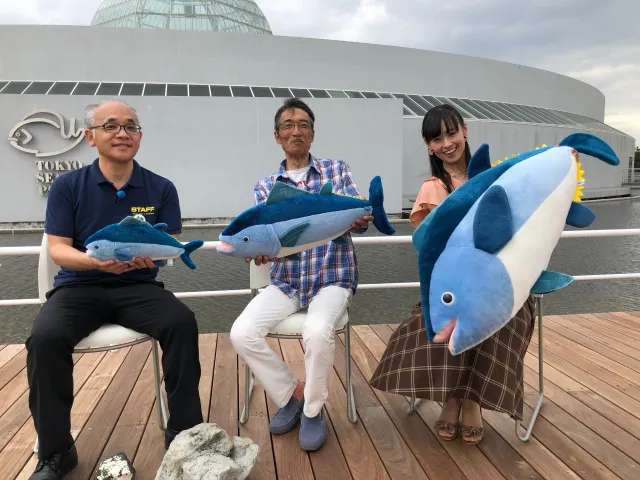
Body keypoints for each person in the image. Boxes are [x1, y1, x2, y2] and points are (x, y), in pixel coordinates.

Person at [26, 101, 203, 480]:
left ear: (140, 137)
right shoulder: (67, 186)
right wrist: (94, 263)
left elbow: (168, 245)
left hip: (138, 286)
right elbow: (58, 248)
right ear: (90, 137)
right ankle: (56, 452)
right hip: (79, 287)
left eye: (131, 126)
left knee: (182, 323)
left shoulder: (160, 187)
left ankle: (184, 435)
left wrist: (152, 261)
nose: (122, 133)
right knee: (44, 338)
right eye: (111, 126)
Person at [369, 104, 536, 446]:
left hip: (499, 281)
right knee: (443, 320)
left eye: (451, 133)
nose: (447, 143)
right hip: (454, 282)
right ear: (429, 147)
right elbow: (434, 248)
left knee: (501, 320)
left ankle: (472, 401)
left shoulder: (496, 176)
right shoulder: (432, 188)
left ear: (464, 130)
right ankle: (453, 398)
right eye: (436, 138)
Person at [230, 98, 371, 452]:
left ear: (312, 133)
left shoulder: (336, 170)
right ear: (277, 136)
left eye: (304, 124)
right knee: (241, 332)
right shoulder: (265, 186)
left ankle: (312, 410)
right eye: (289, 125)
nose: (297, 131)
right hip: (287, 281)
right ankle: (291, 395)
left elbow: (357, 213)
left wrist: (362, 218)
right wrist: (257, 254)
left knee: (318, 330)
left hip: (333, 276)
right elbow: (264, 242)